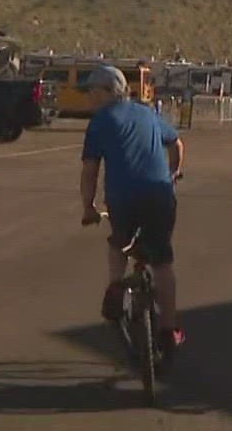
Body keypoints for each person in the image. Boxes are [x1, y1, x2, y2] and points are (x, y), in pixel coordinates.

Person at [79, 64, 186, 357]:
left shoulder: (101, 121)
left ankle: (115, 290)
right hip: (159, 194)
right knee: (162, 262)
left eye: (91, 92)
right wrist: (174, 172)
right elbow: (176, 142)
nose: (89, 98)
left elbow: (90, 171)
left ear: (105, 92)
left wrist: (89, 208)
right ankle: (168, 330)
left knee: (119, 243)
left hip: (123, 199)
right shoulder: (147, 112)